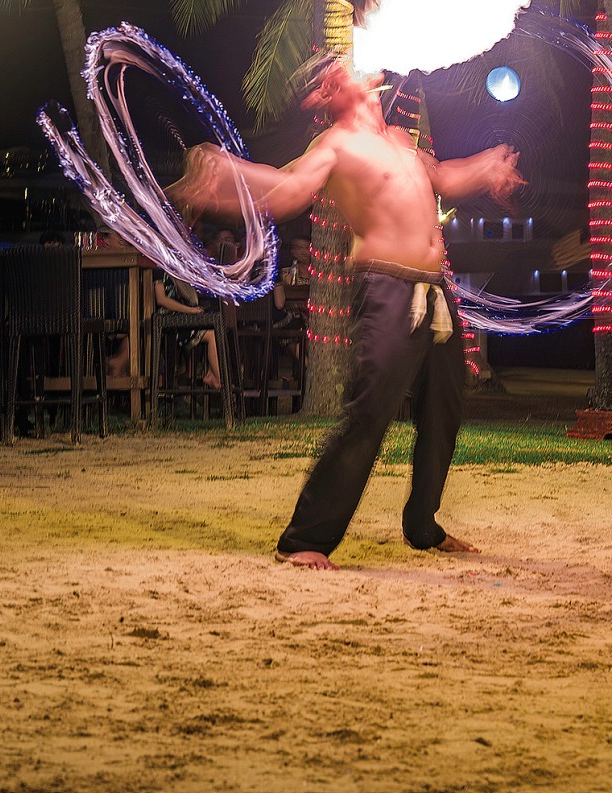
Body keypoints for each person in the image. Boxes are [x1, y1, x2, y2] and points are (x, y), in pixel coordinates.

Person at [173, 54, 522, 571]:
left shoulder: (403, 142)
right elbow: (288, 189)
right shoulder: (335, 145)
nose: (348, 70)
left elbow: (443, 178)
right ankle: (304, 539)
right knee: (369, 415)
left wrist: (485, 166)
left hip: (436, 293)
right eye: (332, 74)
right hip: (389, 291)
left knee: (443, 411)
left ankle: (422, 526)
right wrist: (228, 176)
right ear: (328, 96)